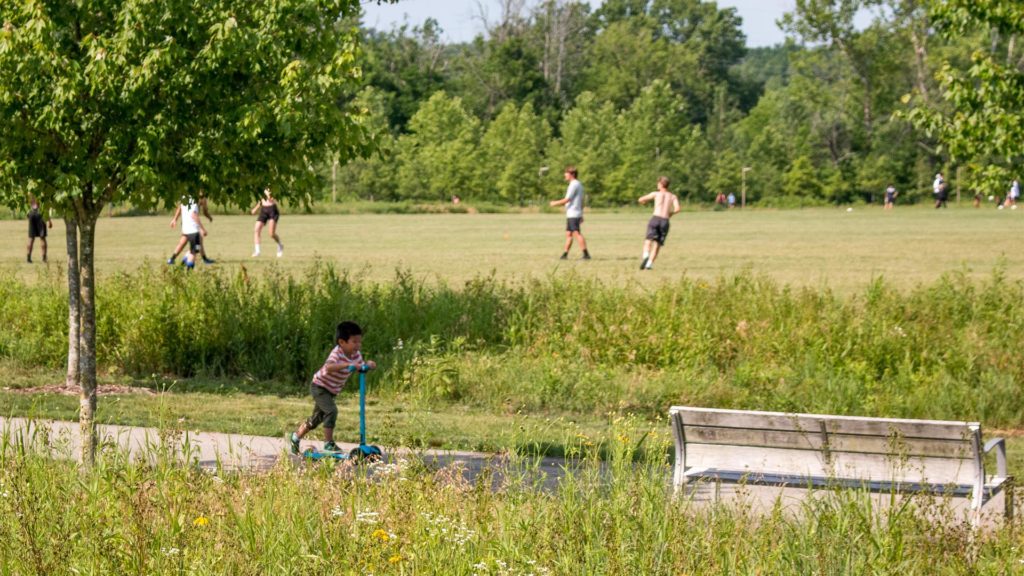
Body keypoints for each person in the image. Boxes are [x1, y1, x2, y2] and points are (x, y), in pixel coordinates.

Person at [289, 321, 376, 454]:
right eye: (354, 342)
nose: (358, 345)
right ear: (342, 342)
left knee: (315, 420)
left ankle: (296, 437)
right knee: (331, 411)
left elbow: (359, 366)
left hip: (332, 391)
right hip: (320, 387)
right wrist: (347, 364)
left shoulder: (356, 355)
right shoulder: (337, 353)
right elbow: (329, 367)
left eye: (359, 342)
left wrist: (367, 365)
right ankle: (328, 443)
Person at [638, 176, 681, 270]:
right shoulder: (673, 196)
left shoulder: (656, 194)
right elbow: (678, 209)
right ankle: (649, 264)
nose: (657, 185)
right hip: (665, 221)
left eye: (658, 183)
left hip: (655, 218)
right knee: (657, 244)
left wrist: (644, 202)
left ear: (661, 184)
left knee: (648, 240)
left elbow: (640, 199)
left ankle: (645, 256)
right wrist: (671, 214)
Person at [549, 166, 591, 260]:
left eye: (566, 173)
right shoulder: (578, 184)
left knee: (576, 233)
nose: (565, 175)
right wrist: (581, 214)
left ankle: (586, 254)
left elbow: (567, 199)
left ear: (572, 174)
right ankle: (565, 255)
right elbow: (581, 201)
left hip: (573, 213)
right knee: (569, 234)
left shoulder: (573, 185)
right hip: (574, 213)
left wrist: (554, 203)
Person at [167, 194, 215, 265]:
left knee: (183, 242)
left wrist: (175, 219)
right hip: (193, 227)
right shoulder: (198, 199)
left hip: (185, 225)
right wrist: (203, 227)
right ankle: (189, 260)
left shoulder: (185, 196)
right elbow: (195, 214)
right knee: (195, 249)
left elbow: (180, 207)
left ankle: (172, 259)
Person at [251, 187, 284, 257]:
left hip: (272, 210)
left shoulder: (274, 186)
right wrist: (256, 208)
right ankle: (257, 251)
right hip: (264, 210)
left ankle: (280, 245)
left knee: (271, 234)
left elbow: (271, 198)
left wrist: (267, 193)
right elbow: (261, 198)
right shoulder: (262, 184)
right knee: (256, 229)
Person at [26, 194, 52, 263]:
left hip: (31, 213)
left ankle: (28, 257)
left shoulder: (29, 192)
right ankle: (44, 258)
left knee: (31, 238)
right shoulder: (41, 190)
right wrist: (49, 220)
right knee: (42, 237)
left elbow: (27, 205)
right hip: (40, 212)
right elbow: (45, 206)